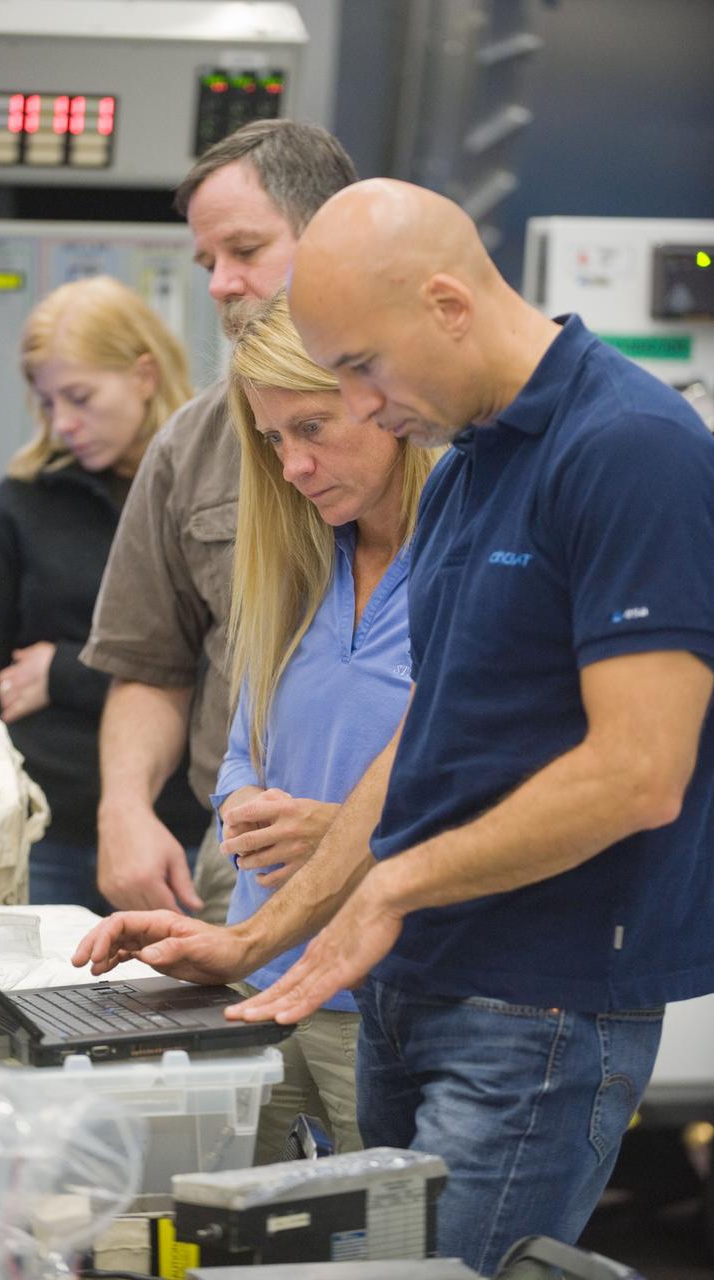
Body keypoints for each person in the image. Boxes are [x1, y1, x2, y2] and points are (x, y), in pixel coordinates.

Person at [72, 181, 714, 1272]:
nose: (364, 410)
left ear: (446, 305)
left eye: (362, 368)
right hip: (410, 993)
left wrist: (393, 882)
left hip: (536, 1006)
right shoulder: (469, 469)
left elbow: (637, 771)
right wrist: (257, 939)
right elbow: (429, 733)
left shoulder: (630, 449)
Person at [81, 120, 357, 923]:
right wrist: (124, 811)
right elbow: (148, 660)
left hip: (411, 848)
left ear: (332, 235)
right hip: (242, 855)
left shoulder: (437, 423)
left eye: (244, 250)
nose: (218, 284)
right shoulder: (192, 444)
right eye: (206, 261)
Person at [215, 291, 435, 1158]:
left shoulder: (465, 565)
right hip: (260, 988)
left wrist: (337, 833)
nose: (293, 466)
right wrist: (243, 810)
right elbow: (244, 749)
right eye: (273, 440)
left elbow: (488, 784)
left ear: (384, 404)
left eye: (311, 427)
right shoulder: (305, 559)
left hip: (379, 1002)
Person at [0, 275, 207, 914]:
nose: (65, 423)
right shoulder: (25, 501)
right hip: (44, 839)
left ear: (144, 374)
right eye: (48, 402)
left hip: (179, 837)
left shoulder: (211, 492)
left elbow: (228, 671)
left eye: (80, 396)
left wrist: (66, 671)